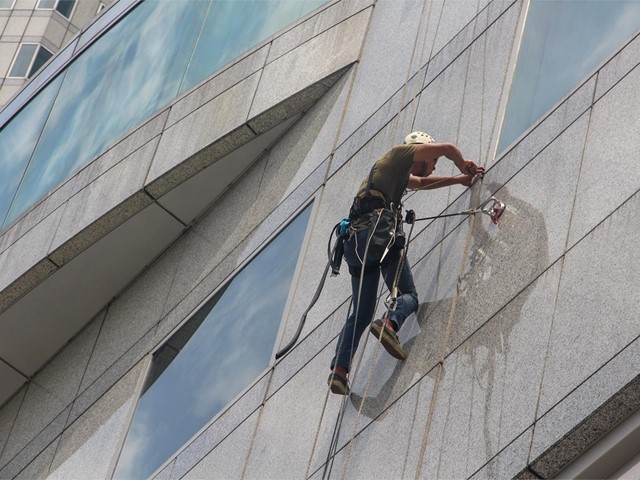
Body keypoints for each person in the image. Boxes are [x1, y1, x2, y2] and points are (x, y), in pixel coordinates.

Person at [328, 131, 485, 395]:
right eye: (432, 159)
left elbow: (421, 183)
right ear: (420, 151)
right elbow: (447, 147)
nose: (433, 165)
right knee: (409, 295)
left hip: (355, 244)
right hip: (378, 235)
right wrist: (463, 164)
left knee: (362, 312)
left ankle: (339, 371)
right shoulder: (399, 154)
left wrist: (458, 180)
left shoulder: (391, 174)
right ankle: (390, 324)